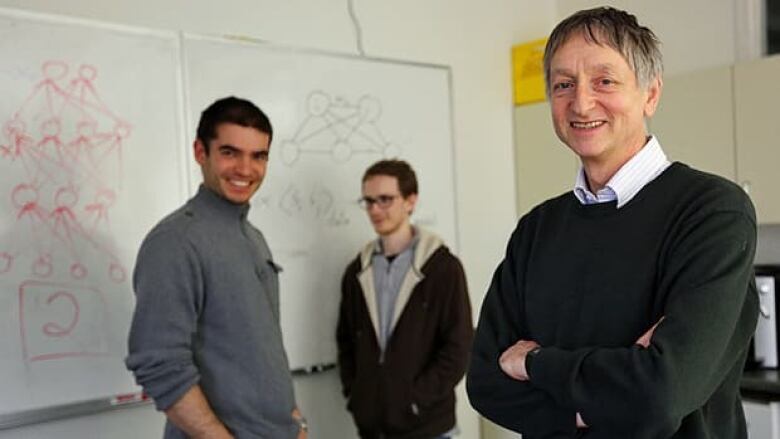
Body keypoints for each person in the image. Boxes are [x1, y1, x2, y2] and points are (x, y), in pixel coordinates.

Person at [467, 7, 758, 439]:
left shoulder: (711, 212)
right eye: (564, 84)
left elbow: (661, 393)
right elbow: (485, 382)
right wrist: (604, 400)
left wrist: (533, 363)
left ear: (651, 94)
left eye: (604, 81)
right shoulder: (537, 229)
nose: (581, 103)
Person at [126, 96, 307, 439]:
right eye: (229, 152)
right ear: (200, 152)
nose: (245, 169)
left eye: (258, 156)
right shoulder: (175, 242)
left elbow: (263, 350)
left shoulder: (253, 238)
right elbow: (160, 364)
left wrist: (296, 422)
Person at [336, 159, 474, 439]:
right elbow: (346, 342)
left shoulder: (442, 268)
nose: (375, 210)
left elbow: (459, 346)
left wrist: (415, 400)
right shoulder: (356, 272)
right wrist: (358, 396)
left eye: (385, 200)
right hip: (373, 429)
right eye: (369, 201)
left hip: (429, 428)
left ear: (410, 201)